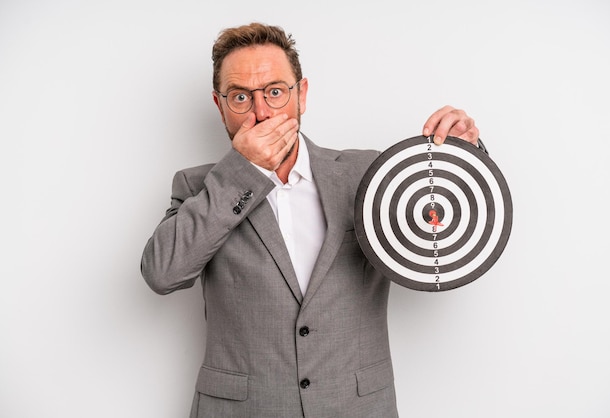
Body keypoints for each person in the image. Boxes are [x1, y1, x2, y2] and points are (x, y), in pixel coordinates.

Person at [141, 22, 483, 418]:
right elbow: (162, 273)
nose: (261, 112)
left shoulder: (367, 174)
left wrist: (461, 158)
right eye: (240, 97)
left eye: (274, 91)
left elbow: (444, 237)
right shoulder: (200, 186)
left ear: (301, 94)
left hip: (356, 406)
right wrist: (246, 170)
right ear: (219, 105)